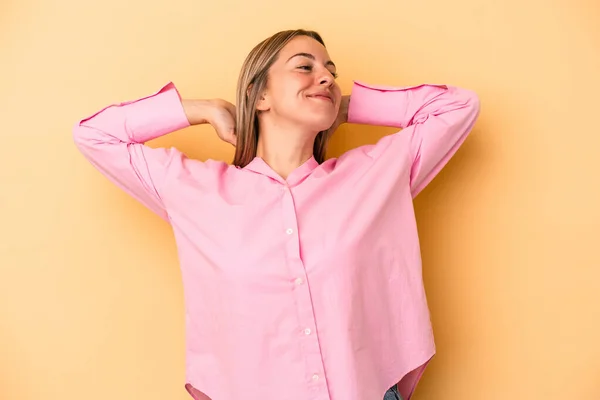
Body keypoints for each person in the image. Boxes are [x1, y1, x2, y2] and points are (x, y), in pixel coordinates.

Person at [73, 29, 480, 400]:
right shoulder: (194, 191)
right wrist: (203, 108)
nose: (325, 77)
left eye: (330, 73)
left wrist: (347, 105)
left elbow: (459, 106)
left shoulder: (376, 174)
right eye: (305, 66)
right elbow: (94, 134)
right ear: (259, 96)